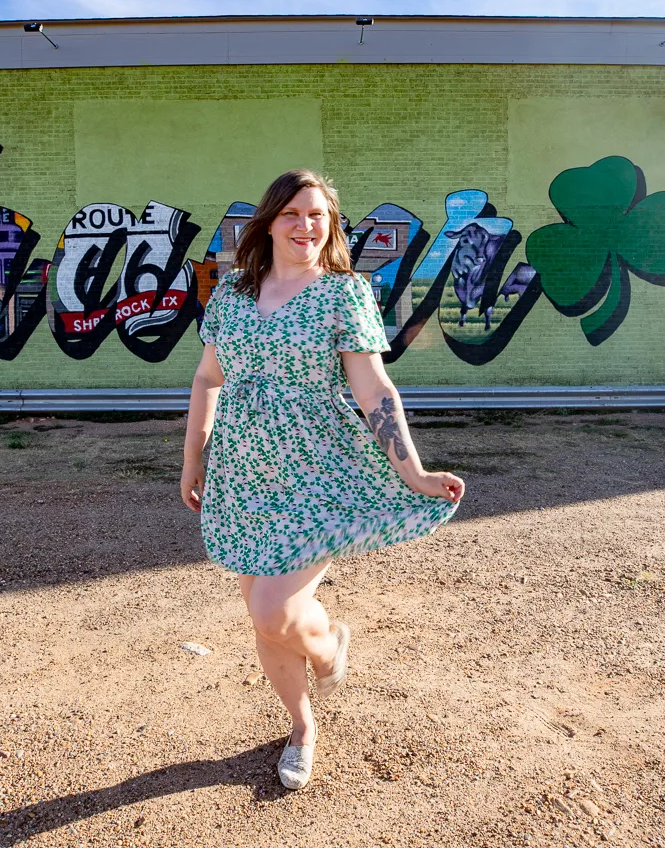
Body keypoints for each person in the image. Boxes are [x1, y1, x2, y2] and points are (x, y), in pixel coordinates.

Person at [180, 169, 465, 790]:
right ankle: (301, 727)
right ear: (269, 223)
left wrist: (412, 471)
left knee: (271, 607)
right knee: (264, 619)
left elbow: (372, 386)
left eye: (317, 215)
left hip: (320, 474)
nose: (306, 226)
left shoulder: (345, 293)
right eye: (292, 214)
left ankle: (331, 650)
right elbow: (208, 379)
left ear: (330, 224)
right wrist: (193, 456)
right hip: (243, 473)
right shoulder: (231, 293)